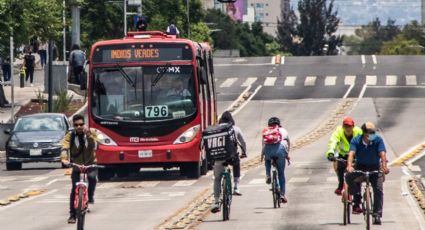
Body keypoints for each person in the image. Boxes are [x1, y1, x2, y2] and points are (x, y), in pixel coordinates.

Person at [345, 122, 390, 225]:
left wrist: (384, 167)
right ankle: (357, 196)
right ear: (364, 133)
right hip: (360, 167)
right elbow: (351, 154)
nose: (373, 134)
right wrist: (349, 166)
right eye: (370, 132)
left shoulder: (378, 140)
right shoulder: (356, 140)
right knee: (349, 177)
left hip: (375, 167)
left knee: (378, 189)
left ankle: (377, 215)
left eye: (374, 132)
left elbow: (382, 154)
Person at [61, 114, 98, 224]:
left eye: (81, 124)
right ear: (73, 125)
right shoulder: (70, 135)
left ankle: (90, 196)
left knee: (92, 178)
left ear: (84, 124)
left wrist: (89, 135)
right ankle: (72, 214)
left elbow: (96, 146)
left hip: (90, 164)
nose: (79, 127)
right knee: (74, 189)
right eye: (76, 125)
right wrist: (64, 159)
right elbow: (64, 147)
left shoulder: (91, 132)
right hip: (77, 165)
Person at [211, 111, 247, 213]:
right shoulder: (235, 129)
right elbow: (243, 142)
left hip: (218, 157)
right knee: (237, 163)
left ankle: (216, 202)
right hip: (231, 157)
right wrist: (244, 152)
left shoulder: (215, 129)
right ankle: (235, 187)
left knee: (217, 179)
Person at [326, 117, 362, 195]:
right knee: (340, 168)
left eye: (349, 126)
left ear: (353, 127)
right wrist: (330, 153)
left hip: (355, 155)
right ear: (343, 127)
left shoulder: (358, 131)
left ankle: (357, 193)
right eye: (346, 126)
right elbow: (333, 142)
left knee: (357, 172)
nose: (348, 129)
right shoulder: (339, 131)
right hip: (343, 155)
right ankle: (341, 185)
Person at [262, 117, 290, 203]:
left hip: (268, 151)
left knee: (267, 160)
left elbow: (263, 145)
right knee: (281, 173)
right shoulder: (284, 130)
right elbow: (288, 143)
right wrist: (287, 154)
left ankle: (268, 175)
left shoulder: (266, 131)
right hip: (280, 151)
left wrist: (262, 156)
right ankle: (282, 194)